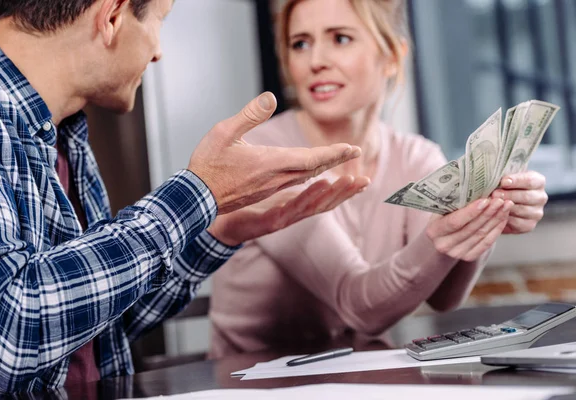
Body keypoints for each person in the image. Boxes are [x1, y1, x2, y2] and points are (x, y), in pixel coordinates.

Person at [0, 0, 372, 396]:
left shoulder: (65, 133)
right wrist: (197, 193)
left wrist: (218, 231)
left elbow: (93, 324)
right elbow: (3, 334)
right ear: (112, 16)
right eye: (159, 22)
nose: (158, 51)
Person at [208, 0, 549, 358]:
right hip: (246, 382)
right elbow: (359, 306)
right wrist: (445, 236)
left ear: (391, 56)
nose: (315, 60)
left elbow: (444, 297)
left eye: (340, 39)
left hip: (350, 375)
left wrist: (490, 210)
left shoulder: (416, 156)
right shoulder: (266, 155)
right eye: (300, 44)